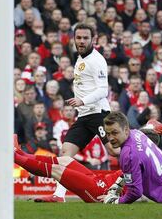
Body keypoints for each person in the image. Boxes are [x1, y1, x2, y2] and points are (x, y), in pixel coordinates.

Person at [40, 23, 118, 202]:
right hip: (84, 115)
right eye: (79, 38)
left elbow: (102, 90)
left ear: (94, 39)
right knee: (65, 153)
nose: (81, 41)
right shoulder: (81, 58)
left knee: (115, 152)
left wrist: (83, 100)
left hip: (99, 113)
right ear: (73, 39)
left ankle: (143, 181)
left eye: (85, 38)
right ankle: (59, 195)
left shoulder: (97, 60)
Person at [14, 119, 162, 203]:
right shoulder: (147, 157)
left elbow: (135, 189)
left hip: (99, 192)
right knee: (63, 160)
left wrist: (115, 199)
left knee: (58, 170)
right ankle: (21, 153)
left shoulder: (140, 159)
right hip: (99, 180)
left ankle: (14, 156)